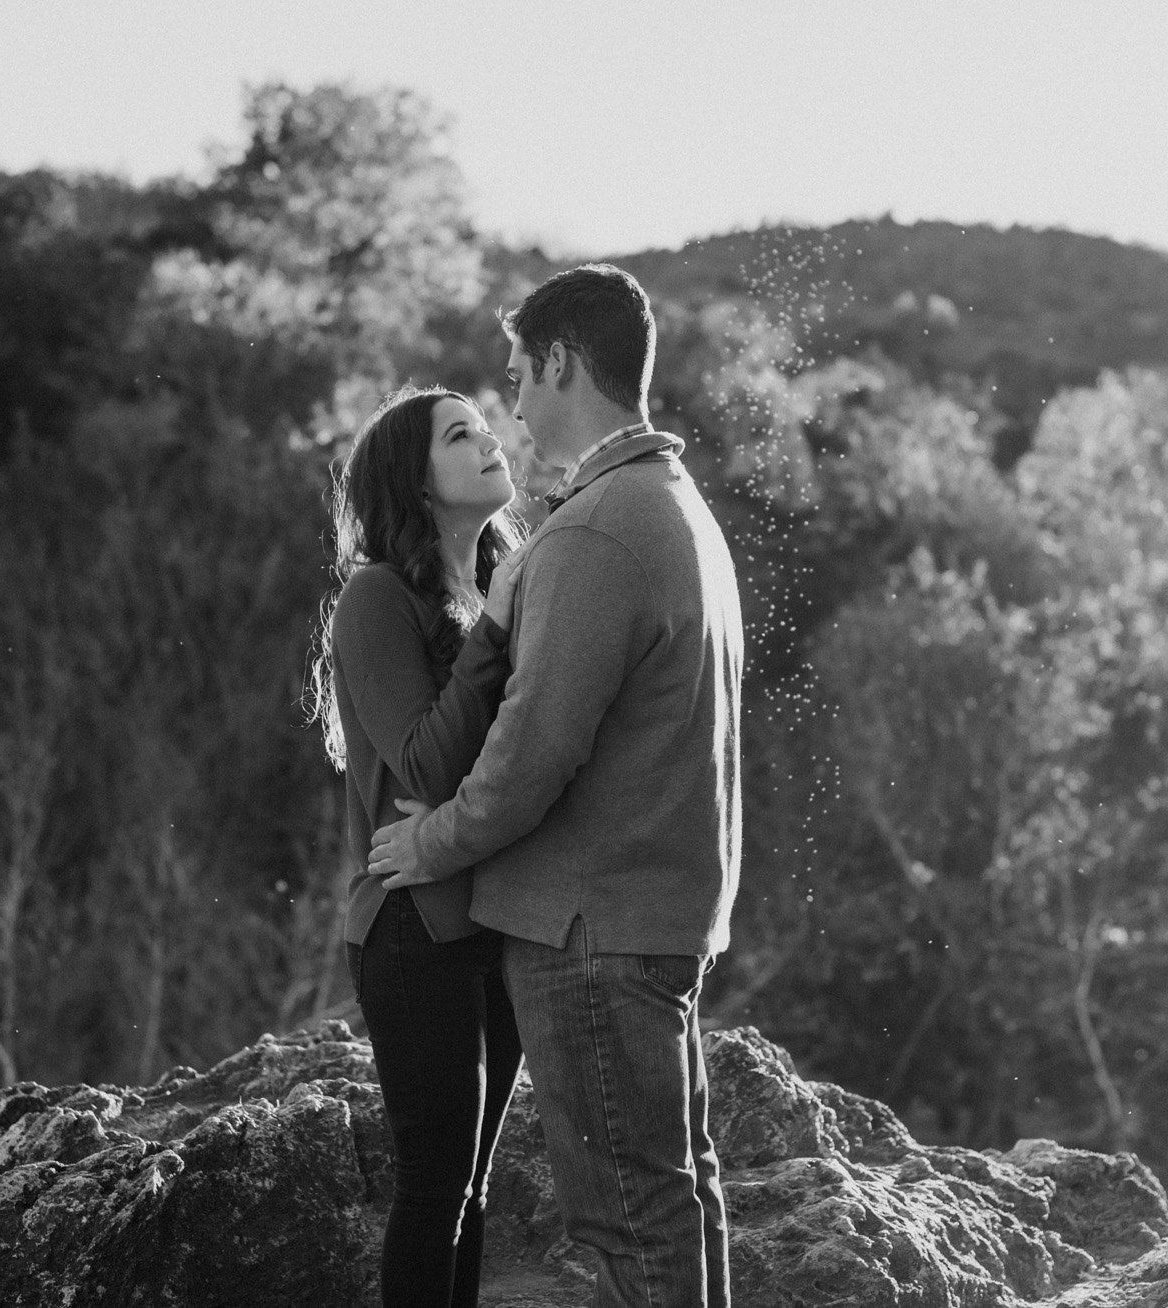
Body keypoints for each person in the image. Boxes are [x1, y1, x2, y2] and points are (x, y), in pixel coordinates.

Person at [367, 265, 744, 1308]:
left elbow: (530, 758)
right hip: (655, 914)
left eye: (519, 376)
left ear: (562, 362)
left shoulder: (592, 532)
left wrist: (429, 843)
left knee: (629, 1228)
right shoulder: (677, 508)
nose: (515, 407)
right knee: (677, 1204)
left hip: (590, 933)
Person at [308, 384, 530, 1308]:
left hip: (503, 918)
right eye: (458, 434)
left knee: (473, 1192)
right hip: (412, 925)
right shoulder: (377, 596)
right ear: (417, 482)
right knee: (434, 1187)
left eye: (484, 425)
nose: (488, 438)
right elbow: (424, 769)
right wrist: (497, 631)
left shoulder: (508, 577)